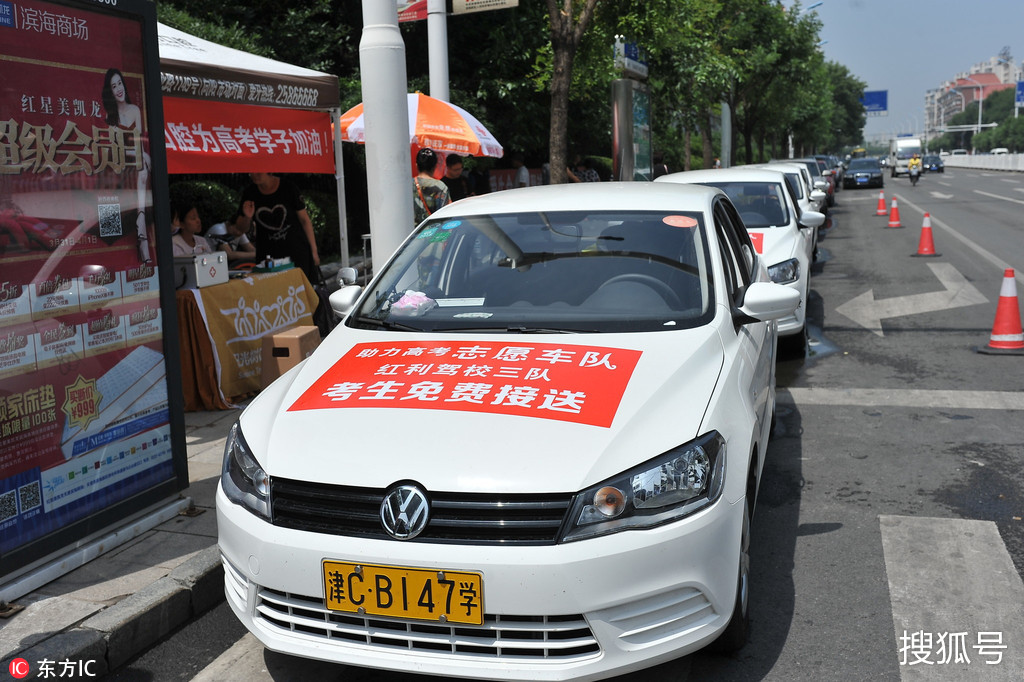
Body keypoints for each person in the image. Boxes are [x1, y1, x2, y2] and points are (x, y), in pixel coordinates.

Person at [101, 67, 152, 264]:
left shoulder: (135, 110)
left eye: (120, 83)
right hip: (120, 158)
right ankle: (141, 227)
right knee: (142, 165)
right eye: (114, 86)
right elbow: (115, 148)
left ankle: (141, 227)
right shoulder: (109, 117)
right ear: (110, 91)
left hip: (136, 154)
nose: (119, 89)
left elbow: (137, 142)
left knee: (142, 164)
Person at [240, 173, 320, 283]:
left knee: (301, 289)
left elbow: (304, 220)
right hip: (268, 255)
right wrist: (247, 217)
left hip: (296, 251)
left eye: (259, 170)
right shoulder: (250, 193)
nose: (255, 174)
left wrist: (314, 251)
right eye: (251, 171)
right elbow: (242, 229)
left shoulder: (288, 187)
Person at [412, 148, 451, 225]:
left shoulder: (408, 184)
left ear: (416, 165)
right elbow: (446, 214)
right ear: (435, 166)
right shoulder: (440, 186)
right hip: (432, 233)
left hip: (411, 233)